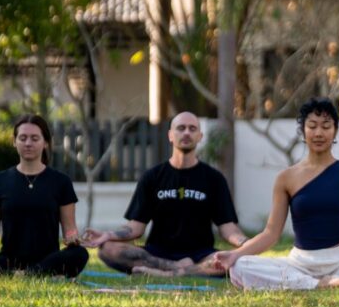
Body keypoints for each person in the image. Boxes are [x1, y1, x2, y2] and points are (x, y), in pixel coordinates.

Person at [147, 97, 339, 290]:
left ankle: (326, 283)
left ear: (335, 131)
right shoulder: (286, 178)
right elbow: (270, 234)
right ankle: (319, 285)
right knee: (240, 269)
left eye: (326, 126)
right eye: (312, 126)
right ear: (302, 131)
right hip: (300, 264)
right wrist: (236, 255)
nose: (318, 132)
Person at [81, 111, 247, 275]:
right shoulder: (152, 177)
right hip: (157, 253)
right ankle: (179, 269)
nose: (187, 133)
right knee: (108, 249)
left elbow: (228, 228)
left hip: (201, 254)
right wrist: (107, 235)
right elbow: (136, 227)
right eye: (181, 128)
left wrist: (247, 243)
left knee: (237, 260)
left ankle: (166, 271)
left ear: (200, 136)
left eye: (192, 129)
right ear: (170, 135)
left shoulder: (214, 179)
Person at [0, 114, 89, 278]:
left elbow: (69, 228)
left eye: (34, 138)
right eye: (23, 138)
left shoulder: (61, 182)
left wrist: (72, 239)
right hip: (8, 262)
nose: (28, 143)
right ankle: (29, 275)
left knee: (79, 254)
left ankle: (26, 274)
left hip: (47, 260)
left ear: (45, 142)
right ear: (14, 141)